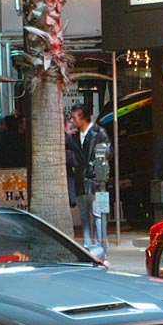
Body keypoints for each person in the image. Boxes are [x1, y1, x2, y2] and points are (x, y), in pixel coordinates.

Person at [70, 102, 111, 257]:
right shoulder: (75, 135)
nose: (73, 121)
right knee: (85, 215)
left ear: (84, 117)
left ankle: (100, 246)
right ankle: (88, 245)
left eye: (75, 117)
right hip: (81, 178)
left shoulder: (98, 132)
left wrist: (95, 168)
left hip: (95, 179)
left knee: (98, 214)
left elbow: (107, 151)